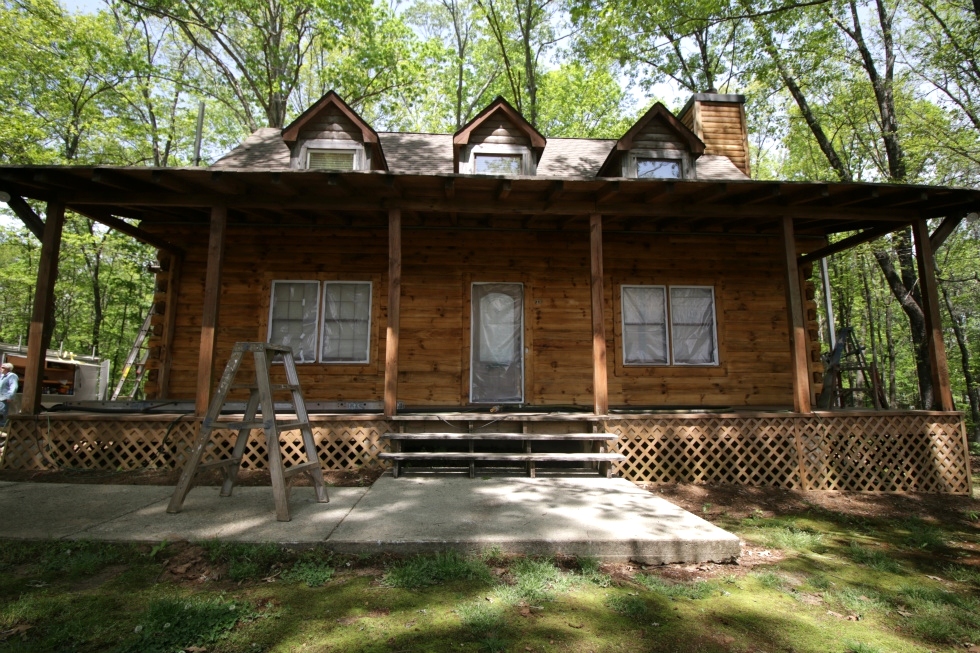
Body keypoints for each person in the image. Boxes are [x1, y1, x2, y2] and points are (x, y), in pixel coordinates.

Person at [0, 362, 18, 428]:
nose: (1, 368)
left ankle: (3, 428)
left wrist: (9, 396)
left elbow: (14, 386)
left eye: (3, 367)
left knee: (2, 413)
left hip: (4, 398)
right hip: (0, 397)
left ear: (8, 369)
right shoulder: (2, 376)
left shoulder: (12, 375)